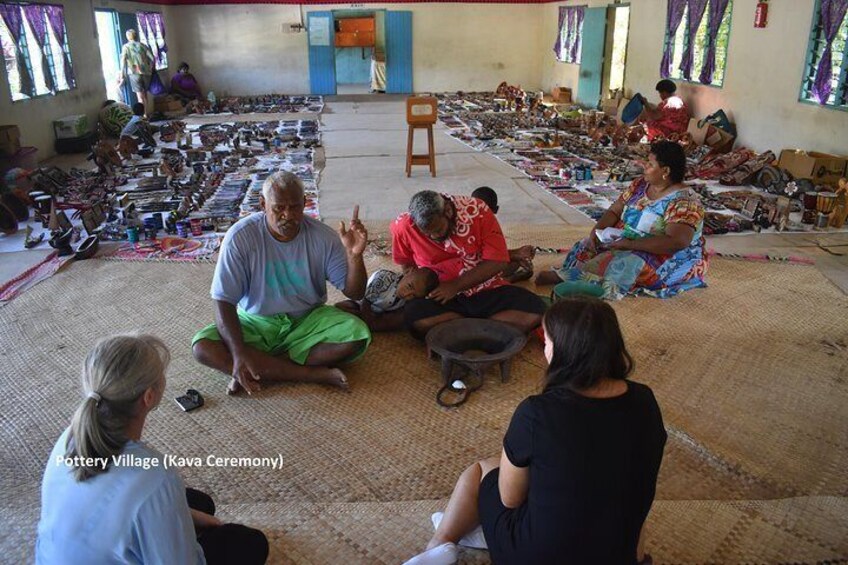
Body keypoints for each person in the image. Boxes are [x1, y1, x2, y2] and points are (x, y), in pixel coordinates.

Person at [403, 297, 667, 565]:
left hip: (536, 555)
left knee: (482, 470)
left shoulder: (537, 412)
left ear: (562, 350)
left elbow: (509, 498)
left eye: (547, 342)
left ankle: (439, 546)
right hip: (622, 554)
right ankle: (476, 531)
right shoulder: (645, 400)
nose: (545, 349)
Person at [36, 334, 269, 564]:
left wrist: (186, 517)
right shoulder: (156, 476)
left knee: (200, 503)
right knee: (249, 543)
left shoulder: (71, 435)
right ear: (148, 397)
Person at [192, 171, 372, 395]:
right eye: (279, 208)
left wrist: (354, 256)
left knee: (356, 335)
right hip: (256, 322)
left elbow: (355, 292)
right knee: (203, 347)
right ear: (262, 204)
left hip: (307, 319)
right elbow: (223, 300)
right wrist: (238, 352)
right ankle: (310, 374)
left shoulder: (323, 237)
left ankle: (262, 366)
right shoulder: (239, 237)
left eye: (295, 207)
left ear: (305, 204)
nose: (288, 215)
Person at [536, 141, 708, 300]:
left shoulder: (684, 201)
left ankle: (584, 282)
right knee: (586, 244)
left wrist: (630, 245)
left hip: (667, 255)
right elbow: (614, 210)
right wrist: (597, 231)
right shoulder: (640, 185)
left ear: (665, 171)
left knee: (628, 263)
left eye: (650, 164)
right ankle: (574, 275)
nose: (644, 167)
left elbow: (678, 242)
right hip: (627, 240)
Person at [391, 191, 546, 338]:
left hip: (484, 290)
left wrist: (455, 286)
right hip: (440, 297)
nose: (434, 237)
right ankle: (487, 329)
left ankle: (457, 329)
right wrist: (418, 289)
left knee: (536, 309)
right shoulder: (405, 225)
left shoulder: (478, 211)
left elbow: (497, 261)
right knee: (414, 317)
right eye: (427, 234)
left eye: (437, 230)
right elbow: (407, 266)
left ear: (448, 212)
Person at [336, 267, 440, 332]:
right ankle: (367, 322)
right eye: (409, 286)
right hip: (362, 303)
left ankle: (369, 322)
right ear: (408, 272)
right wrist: (368, 322)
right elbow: (365, 300)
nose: (407, 294)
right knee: (342, 308)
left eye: (413, 295)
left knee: (401, 319)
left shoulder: (411, 298)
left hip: (382, 312)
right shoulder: (383, 278)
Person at [470, 186, 536, 283]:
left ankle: (502, 279)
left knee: (515, 263)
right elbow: (477, 259)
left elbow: (492, 252)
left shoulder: (487, 226)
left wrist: (517, 254)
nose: (480, 215)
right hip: (465, 272)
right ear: (496, 209)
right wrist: (517, 253)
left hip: (477, 265)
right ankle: (506, 280)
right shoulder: (467, 227)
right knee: (500, 264)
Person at [118, 29, 155, 114]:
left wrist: (122, 73)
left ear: (128, 37)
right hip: (146, 73)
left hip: (134, 73)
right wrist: (149, 67)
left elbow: (123, 61)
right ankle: (147, 113)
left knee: (139, 96)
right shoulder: (143, 45)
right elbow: (152, 58)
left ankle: (142, 115)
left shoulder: (126, 47)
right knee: (145, 94)